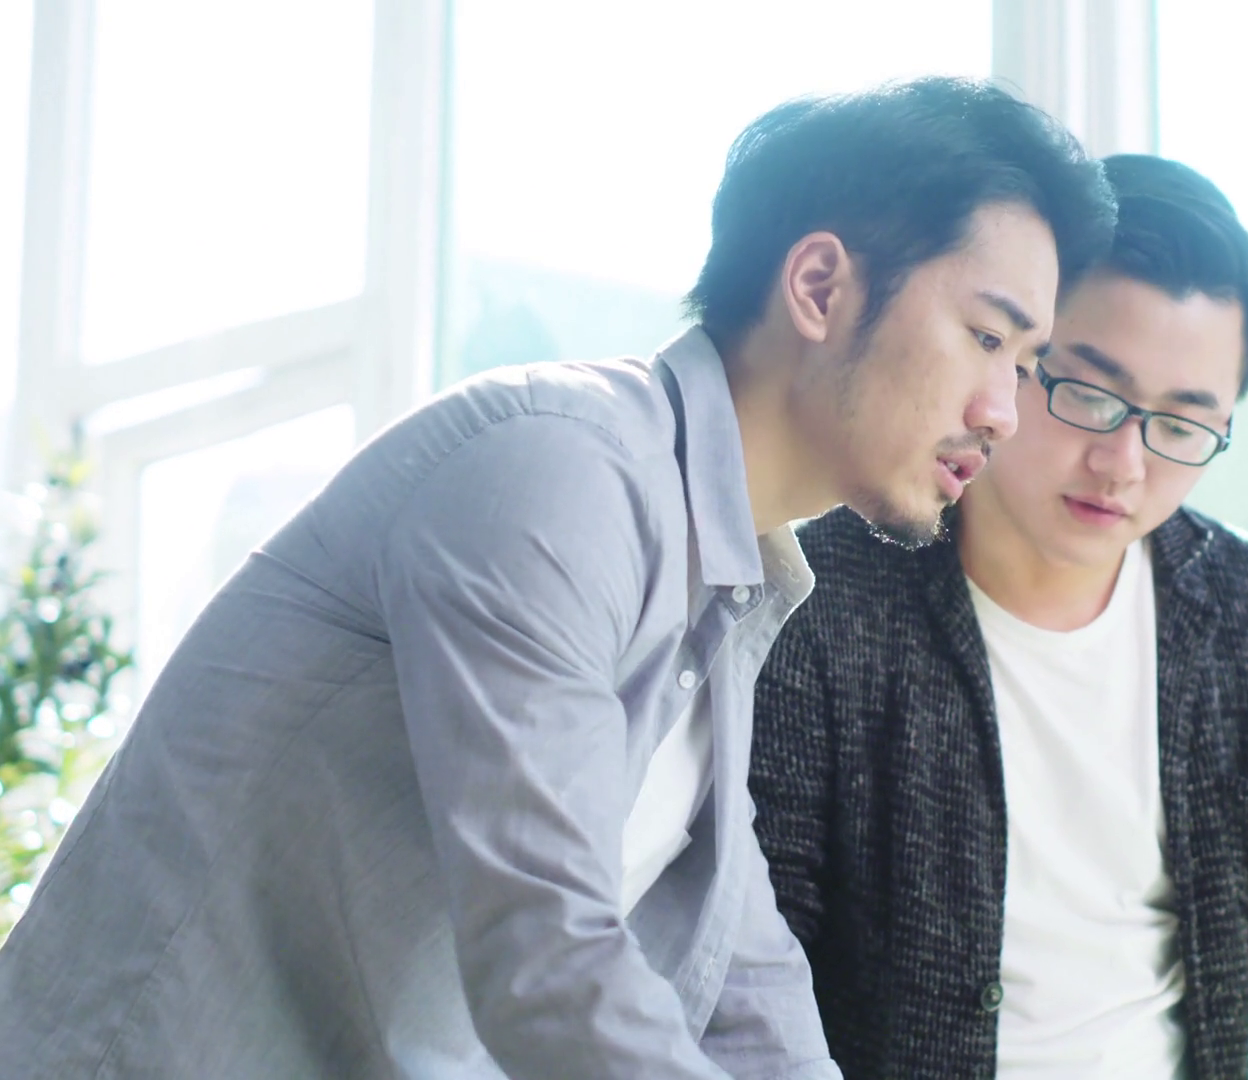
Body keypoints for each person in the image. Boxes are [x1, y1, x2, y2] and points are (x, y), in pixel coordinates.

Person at [0, 77, 1114, 1080]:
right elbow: (549, 959)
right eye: (986, 338)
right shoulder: (560, 470)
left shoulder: (734, 585)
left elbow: (746, 985)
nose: (1004, 414)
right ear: (819, 286)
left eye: (1025, 367)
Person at [750, 153, 1248, 1079]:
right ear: (1015, 354)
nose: (1123, 464)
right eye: (1090, 395)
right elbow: (751, 964)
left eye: (1182, 426)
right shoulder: (820, 594)